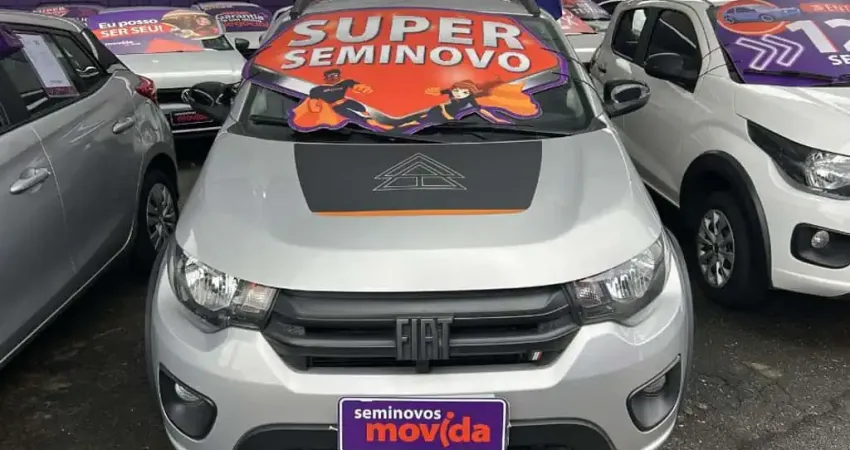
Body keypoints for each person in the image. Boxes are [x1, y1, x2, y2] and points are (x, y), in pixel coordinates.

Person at [290, 68, 392, 131]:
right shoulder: (317, 89)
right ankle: (374, 123)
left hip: (345, 101)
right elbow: (313, 103)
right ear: (325, 78)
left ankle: (375, 121)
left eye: (335, 75)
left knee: (362, 109)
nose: (333, 78)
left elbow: (355, 85)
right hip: (334, 107)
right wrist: (315, 107)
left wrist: (361, 88)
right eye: (330, 76)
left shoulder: (344, 82)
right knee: (351, 115)